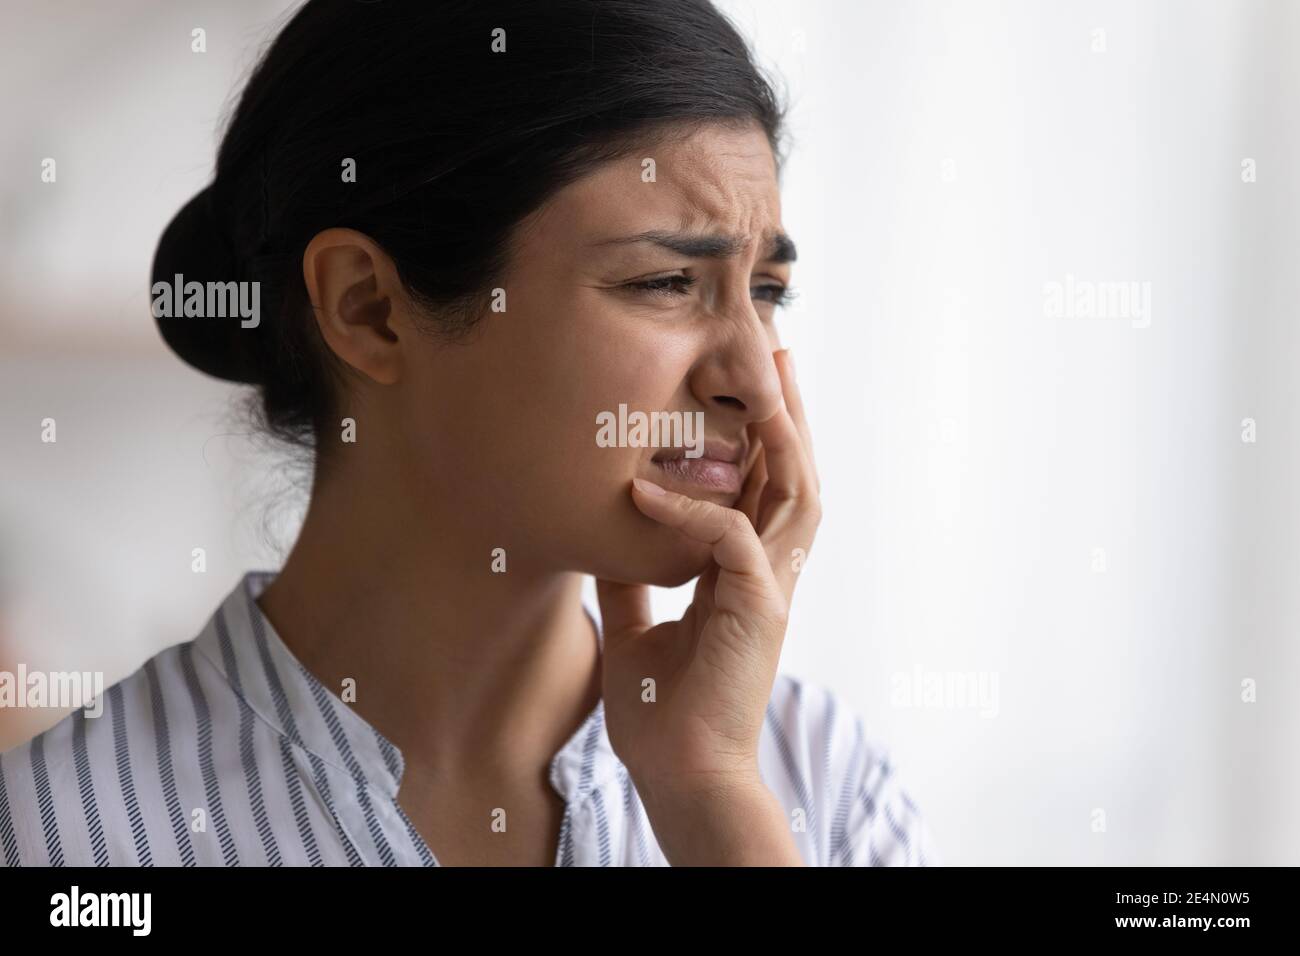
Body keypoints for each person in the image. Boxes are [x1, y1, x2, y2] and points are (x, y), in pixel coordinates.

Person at [0, 0, 938, 867]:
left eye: (766, 292)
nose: (752, 381)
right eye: (666, 283)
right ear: (368, 308)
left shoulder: (824, 789)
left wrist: (707, 795)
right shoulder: (60, 834)